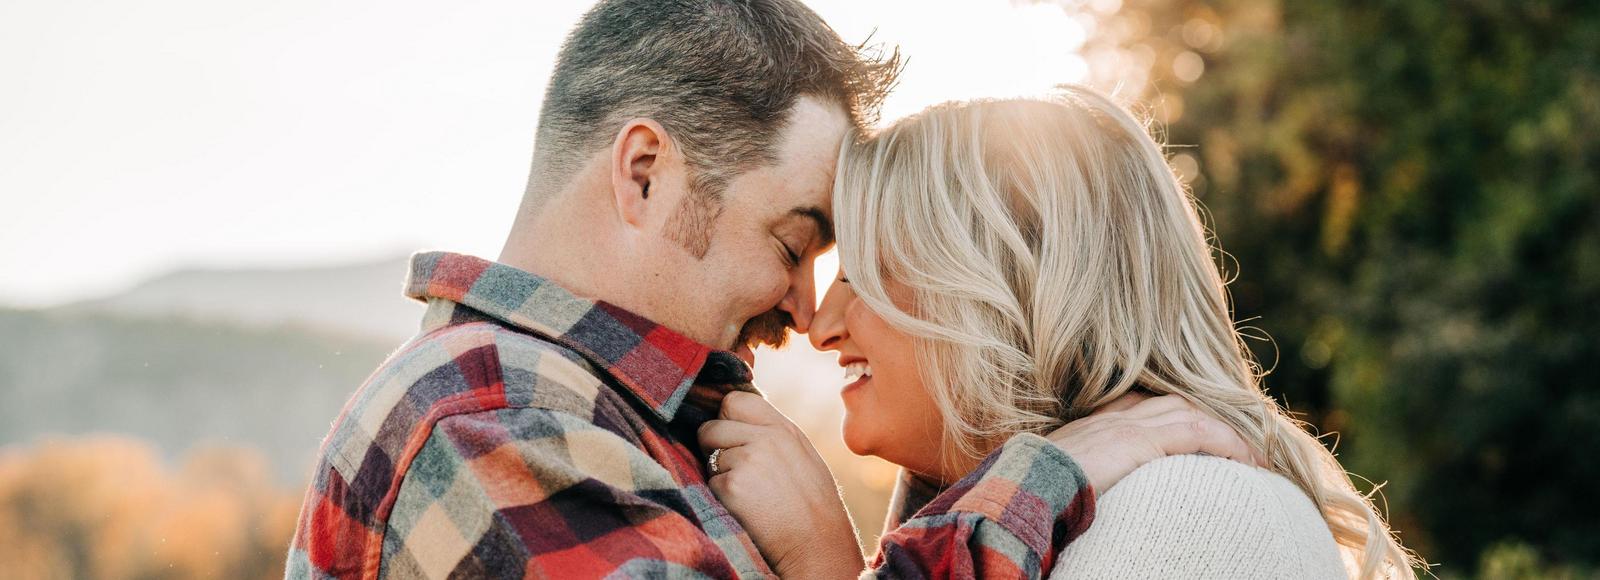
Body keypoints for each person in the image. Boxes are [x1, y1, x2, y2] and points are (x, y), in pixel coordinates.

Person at [286, 1, 1263, 577]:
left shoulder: (611, 421)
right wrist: (1052, 470)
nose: (805, 307)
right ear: (644, 175)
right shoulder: (497, 424)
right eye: (795, 242)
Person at [700, 92, 1422, 578]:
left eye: (865, 271)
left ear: (1007, 280)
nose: (819, 326)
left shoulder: (1189, 515)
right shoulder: (1042, 518)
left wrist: (823, 565)